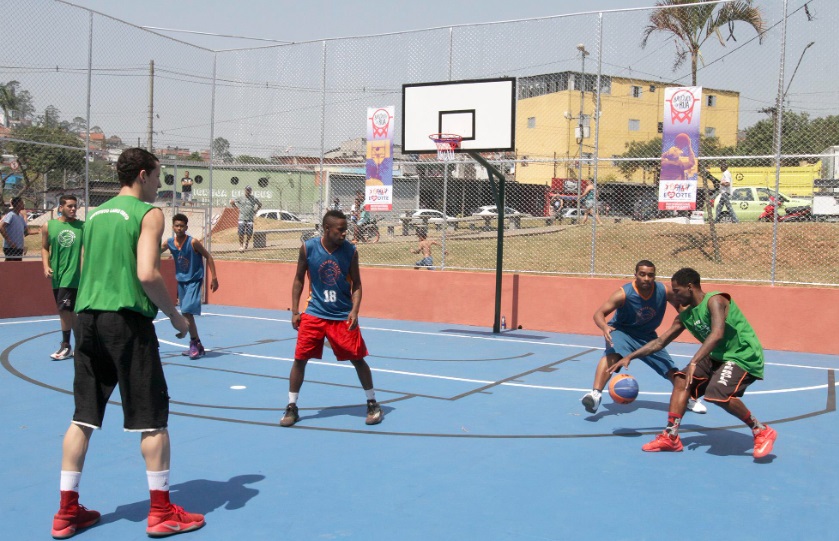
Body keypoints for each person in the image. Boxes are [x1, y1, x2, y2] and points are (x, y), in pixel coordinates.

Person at [51, 148, 204, 539]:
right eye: (156, 177)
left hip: (87, 320)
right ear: (141, 175)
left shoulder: (95, 215)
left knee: (82, 417)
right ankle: (161, 512)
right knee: (151, 418)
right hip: (126, 323)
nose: (158, 184)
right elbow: (147, 273)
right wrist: (174, 315)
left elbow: (86, 266)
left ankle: (66, 511)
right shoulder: (149, 214)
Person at [609, 267, 776, 458]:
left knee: (717, 394)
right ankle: (671, 436)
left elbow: (717, 333)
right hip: (717, 355)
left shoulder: (715, 300)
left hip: (742, 355)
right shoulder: (685, 316)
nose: (674, 295)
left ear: (690, 287)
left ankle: (761, 430)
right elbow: (659, 342)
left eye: (677, 290)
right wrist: (630, 356)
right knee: (681, 380)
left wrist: (695, 361)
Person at [280, 209, 384, 427]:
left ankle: (373, 402)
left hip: (341, 315)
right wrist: (295, 311)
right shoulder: (308, 248)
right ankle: (291, 406)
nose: (345, 233)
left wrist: (355, 311)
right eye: (341, 230)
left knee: (358, 359)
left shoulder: (350, 251)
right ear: (327, 229)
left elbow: (357, 284)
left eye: (345, 229)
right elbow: (298, 279)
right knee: (300, 359)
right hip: (314, 313)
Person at [581, 260, 706, 415]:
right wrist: (605, 327)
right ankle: (595, 395)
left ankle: (688, 398)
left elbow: (681, 306)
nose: (646, 278)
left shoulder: (662, 290)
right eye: (642, 274)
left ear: (654, 276)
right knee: (612, 353)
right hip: (623, 331)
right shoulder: (624, 293)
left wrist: (694, 319)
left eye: (650, 275)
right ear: (635, 275)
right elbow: (599, 314)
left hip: (648, 337)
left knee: (670, 369)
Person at [161, 213, 219, 360]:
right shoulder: (169, 243)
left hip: (194, 280)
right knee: (186, 313)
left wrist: (214, 278)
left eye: (182, 226)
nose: (179, 228)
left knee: (186, 311)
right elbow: (154, 252)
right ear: (173, 227)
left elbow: (209, 257)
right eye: (176, 225)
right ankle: (197, 343)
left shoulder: (193, 242)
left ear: (186, 227)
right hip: (181, 282)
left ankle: (193, 343)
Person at [40, 195, 84, 361]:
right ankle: (83, 342)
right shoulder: (48, 226)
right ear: (60, 208)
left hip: (73, 276)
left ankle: (66, 345)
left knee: (64, 310)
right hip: (56, 276)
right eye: (70, 206)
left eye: (75, 206)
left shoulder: (83, 227)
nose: (73, 209)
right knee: (70, 311)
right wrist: (46, 265)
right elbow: (44, 248)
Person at [230, 185, 261, 252]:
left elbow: (260, 204)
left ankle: (246, 242)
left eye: (249, 190)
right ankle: (241, 246)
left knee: (249, 233)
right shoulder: (240, 197)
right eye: (247, 190)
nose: (248, 191)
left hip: (250, 218)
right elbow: (232, 202)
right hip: (242, 218)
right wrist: (236, 208)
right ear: (245, 190)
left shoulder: (253, 198)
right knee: (241, 232)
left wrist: (256, 210)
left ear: (251, 191)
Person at [1, 196, 30, 261]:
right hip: (10, 247)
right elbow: (1, 227)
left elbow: (26, 232)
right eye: (22, 203)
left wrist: (40, 230)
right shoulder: (11, 215)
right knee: (10, 267)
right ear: (18, 204)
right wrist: (9, 241)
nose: (23, 204)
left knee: (17, 266)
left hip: (19, 247)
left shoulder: (20, 217)